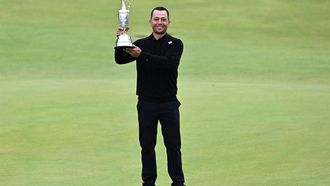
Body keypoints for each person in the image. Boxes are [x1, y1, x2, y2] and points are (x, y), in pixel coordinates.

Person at [114, 6, 185, 186]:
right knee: (147, 146)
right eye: (156, 19)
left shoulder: (175, 44)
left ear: (168, 22)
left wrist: (142, 55)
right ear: (150, 22)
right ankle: (148, 183)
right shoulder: (142, 44)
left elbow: (169, 64)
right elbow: (120, 59)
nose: (159, 22)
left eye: (163, 19)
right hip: (146, 103)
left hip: (169, 103)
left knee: (173, 146)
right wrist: (120, 40)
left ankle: (178, 182)